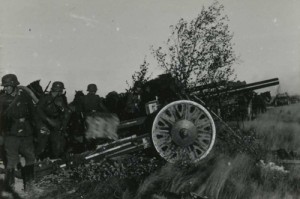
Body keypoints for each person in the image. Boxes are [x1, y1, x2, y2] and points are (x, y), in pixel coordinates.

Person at [0, 74, 36, 191]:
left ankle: (29, 187)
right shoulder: (2, 99)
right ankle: (10, 188)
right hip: (11, 134)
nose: (5, 88)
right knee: (11, 161)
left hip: (26, 133)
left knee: (30, 158)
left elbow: (33, 113)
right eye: (4, 86)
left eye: (8, 86)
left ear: (14, 85)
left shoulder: (25, 97)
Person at [35, 81, 71, 159]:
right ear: (57, 90)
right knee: (42, 144)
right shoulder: (45, 98)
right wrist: (47, 120)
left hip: (56, 123)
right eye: (60, 91)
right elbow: (38, 110)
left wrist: (63, 125)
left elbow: (66, 112)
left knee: (58, 144)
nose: (61, 92)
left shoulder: (61, 99)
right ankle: (37, 160)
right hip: (44, 123)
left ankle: (55, 159)